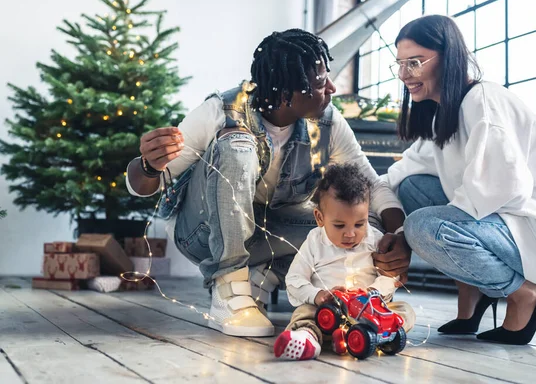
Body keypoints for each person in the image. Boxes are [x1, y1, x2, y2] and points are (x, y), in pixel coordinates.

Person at [126, 29, 410, 338]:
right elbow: (146, 184)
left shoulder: (327, 122)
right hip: (202, 235)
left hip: (270, 232)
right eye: (318, 83)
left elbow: (373, 186)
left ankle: (268, 277)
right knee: (237, 146)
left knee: (358, 218)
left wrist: (396, 236)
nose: (331, 87)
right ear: (287, 93)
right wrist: (148, 165)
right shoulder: (221, 112)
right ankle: (229, 287)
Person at [384, 15, 536, 345]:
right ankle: (471, 297)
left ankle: (528, 294)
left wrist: (406, 235)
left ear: (448, 58)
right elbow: (400, 175)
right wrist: (357, 205)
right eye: (400, 64)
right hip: (503, 226)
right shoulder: (443, 114)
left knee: (423, 227)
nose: (404, 75)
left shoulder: (482, 101)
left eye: (415, 62)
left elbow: (505, 190)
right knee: (413, 187)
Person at [273, 164, 415, 360]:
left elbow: (391, 276)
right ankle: (307, 339)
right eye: (339, 225)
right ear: (320, 218)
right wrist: (318, 295)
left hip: (368, 310)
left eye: (359, 224)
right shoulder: (314, 242)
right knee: (304, 312)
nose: (350, 234)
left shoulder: (375, 239)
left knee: (404, 310)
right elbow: (294, 279)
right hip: (327, 310)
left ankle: (368, 337)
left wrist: (373, 292)